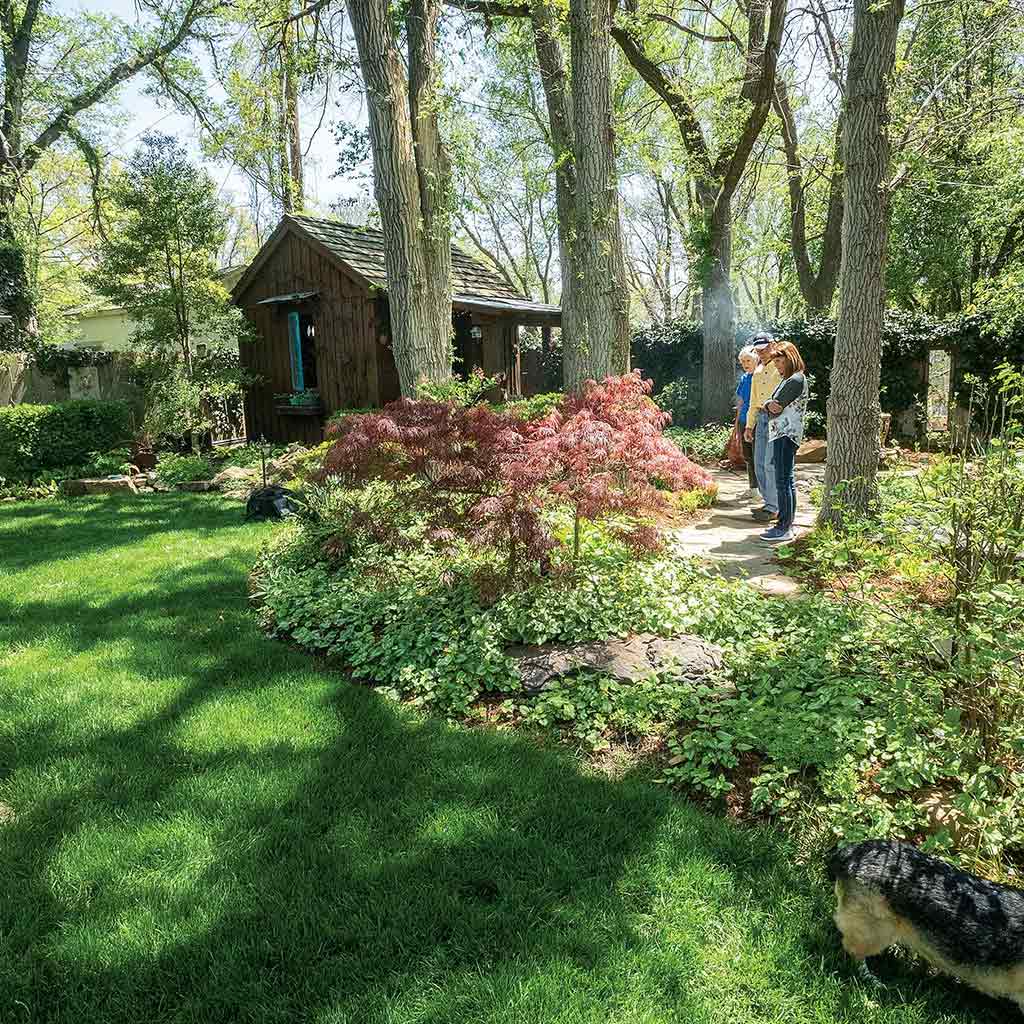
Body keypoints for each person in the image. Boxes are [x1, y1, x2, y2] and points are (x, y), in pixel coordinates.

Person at [759, 340, 807, 544]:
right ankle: (786, 523)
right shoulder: (788, 379)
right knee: (786, 480)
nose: (777, 365)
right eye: (775, 362)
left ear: (791, 358)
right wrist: (769, 404)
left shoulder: (795, 380)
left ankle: (784, 526)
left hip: (786, 434)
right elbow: (772, 404)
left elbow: (776, 407)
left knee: (782, 480)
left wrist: (768, 404)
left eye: (779, 361)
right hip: (782, 433)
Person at [743, 334, 781, 522]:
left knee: (769, 464)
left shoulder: (782, 367)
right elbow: (752, 402)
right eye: (758, 349)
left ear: (773, 345)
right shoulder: (757, 371)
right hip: (761, 418)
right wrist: (749, 426)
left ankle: (775, 507)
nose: (761, 352)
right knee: (758, 464)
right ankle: (769, 503)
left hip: (777, 418)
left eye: (765, 348)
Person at [735, 346, 758, 496]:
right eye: (743, 362)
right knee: (748, 456)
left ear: (756, 359)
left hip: (757, 421)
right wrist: (737, 423)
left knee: (759, 457)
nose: (745, 364)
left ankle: (764, 490)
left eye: (748, 360)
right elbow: (741, 402)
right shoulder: (744, 378)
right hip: (744, 420)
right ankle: (753, 489)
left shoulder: (761, 376)